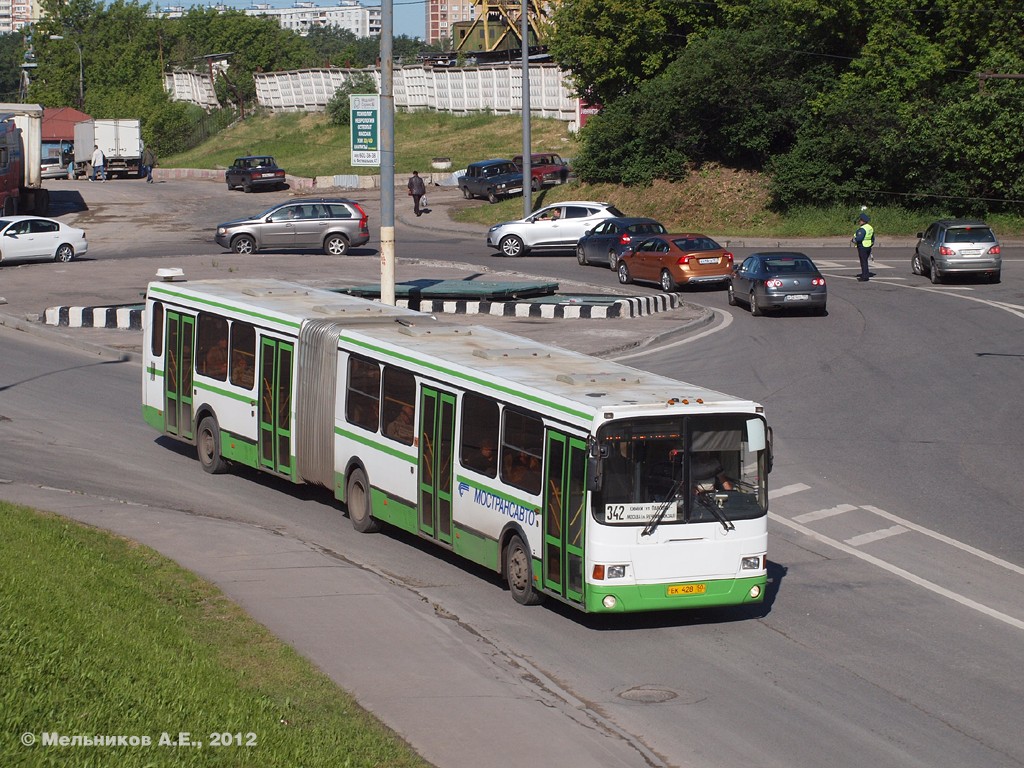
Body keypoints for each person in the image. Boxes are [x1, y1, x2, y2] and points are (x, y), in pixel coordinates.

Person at [852, 212, 874, 282]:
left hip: (862, 246)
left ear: (863, 221)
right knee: (865, 261)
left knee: (863, 262)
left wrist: (853, 240)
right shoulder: (870, 227)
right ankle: (866, 274)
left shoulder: (862, 229)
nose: (859, 222)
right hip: (868, 246)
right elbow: (873, 238)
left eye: (860, 220)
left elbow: (859, 238)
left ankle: (865, 277)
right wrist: (871, 244)